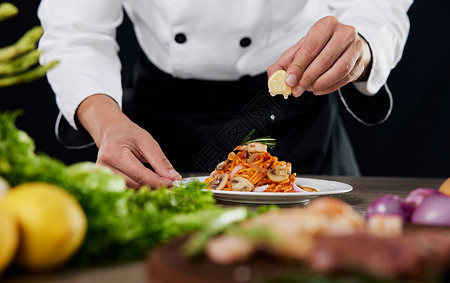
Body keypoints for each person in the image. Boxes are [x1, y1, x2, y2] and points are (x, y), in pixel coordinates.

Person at [38, 0, 413, 189]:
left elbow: (377, 5)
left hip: (293, 104)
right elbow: (75, 32)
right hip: (158, 125)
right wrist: (107, 124)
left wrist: (361, 41)